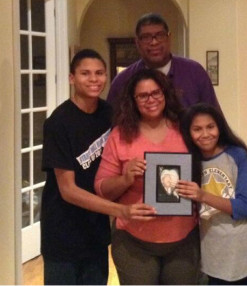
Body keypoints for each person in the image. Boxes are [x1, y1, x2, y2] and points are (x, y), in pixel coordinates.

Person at [40, 49, 156, 285]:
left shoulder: (110, 114)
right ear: (72, 78)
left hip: (96, 231)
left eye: (99, 73)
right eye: (85, 73)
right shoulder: (58, 122)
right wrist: (120, 211)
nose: (94, 79)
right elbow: (68, 190)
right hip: (63, 232)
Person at [94, 69, 200, 285]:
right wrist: (125, 178)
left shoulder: (186, 129)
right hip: (134, 242)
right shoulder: (120, 135)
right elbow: (101, 188)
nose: (151, 99)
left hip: (184, 239)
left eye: (156, 93)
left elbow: (207, 168)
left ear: (165, 94)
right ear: (133, 100)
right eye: (143, 95)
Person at [177, 103, 247, 285]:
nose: (205, 134)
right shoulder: (187, 162)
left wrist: (202, 195)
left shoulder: (238, 155)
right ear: (188, 133)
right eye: (197, 129)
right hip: (215, 257)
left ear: (219, 127)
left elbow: (246, 208)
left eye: (210, 127)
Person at [107, 12, 220, 110]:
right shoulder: (123, 81)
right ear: (137, 42)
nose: (154, 42)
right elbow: (111, 125)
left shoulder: (194, 72)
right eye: (146, 37)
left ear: (169, 37)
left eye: (160, 35)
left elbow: (213, 119)